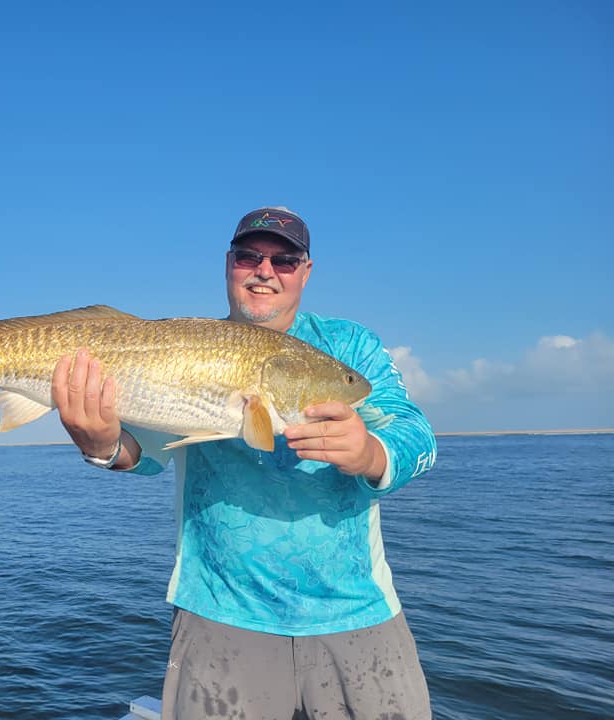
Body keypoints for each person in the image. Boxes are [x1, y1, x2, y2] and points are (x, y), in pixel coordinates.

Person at [51, 207, 437, 720]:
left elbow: (416, 433)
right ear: (229, 263)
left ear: (306, 270)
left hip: (356, 612)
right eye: (249, 256)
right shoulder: (180, 347)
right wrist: (99, 445)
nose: (264, 270)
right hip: (218, 612)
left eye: (285, 259)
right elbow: (138, 456)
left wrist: (371, 453)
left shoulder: (350, 347)